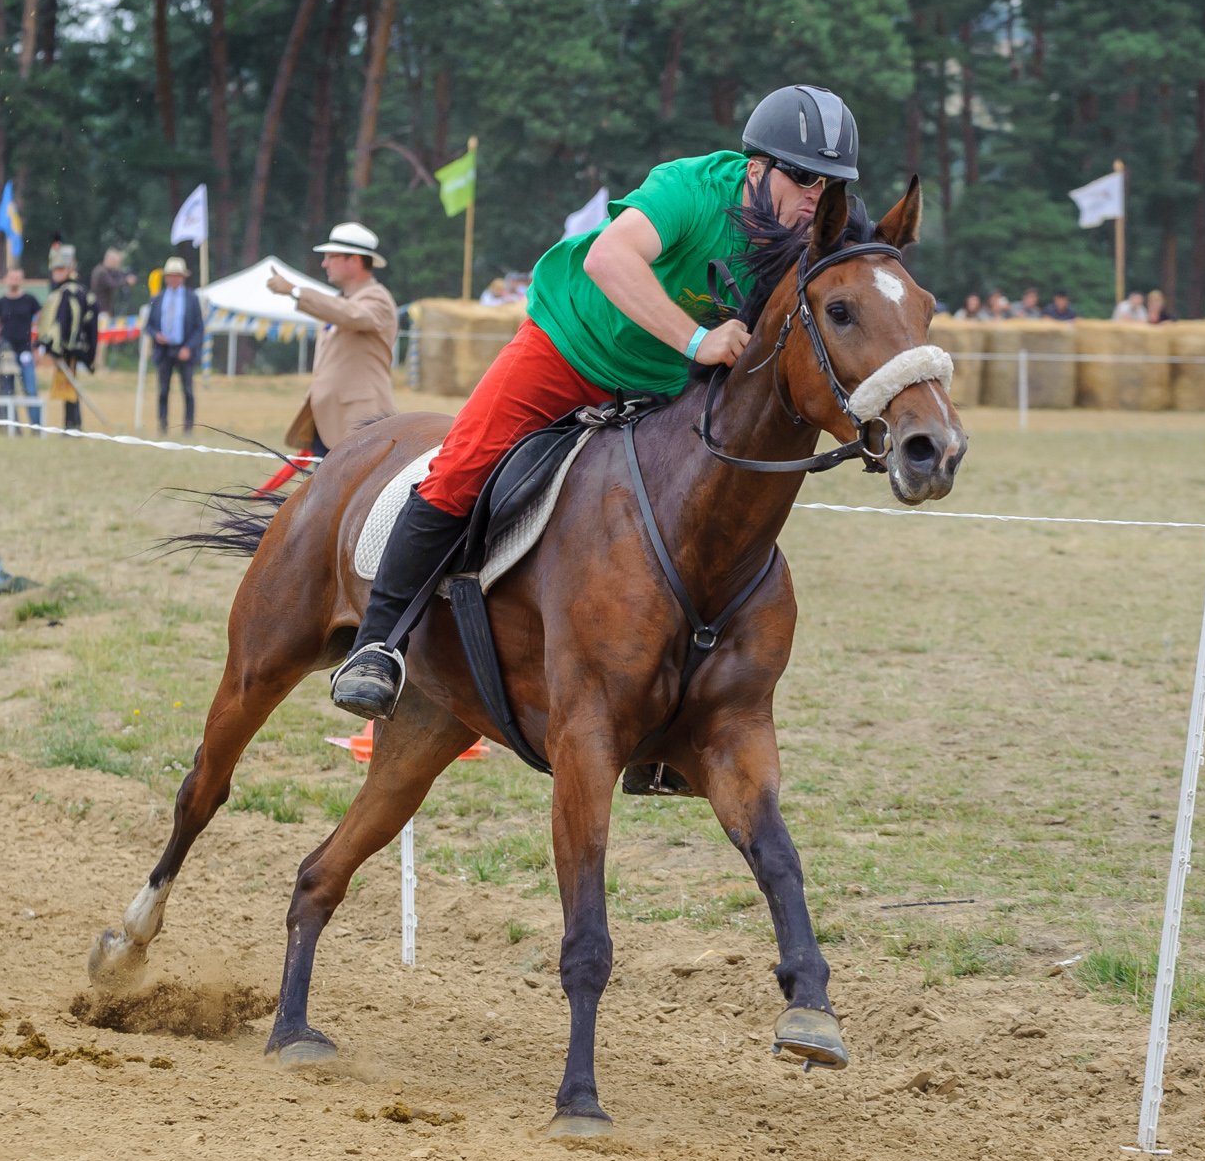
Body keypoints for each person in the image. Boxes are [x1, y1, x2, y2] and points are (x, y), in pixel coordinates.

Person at [326, 83, 855, 719]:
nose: (814, 196)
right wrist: (699, 339)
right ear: (756, 168)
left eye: (828, 184)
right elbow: (609, 257)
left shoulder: (806, 231)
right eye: (802, 177)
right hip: (567, 348)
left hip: (662, 386)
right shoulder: (689, 188)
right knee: (463, 468)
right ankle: (377, 646)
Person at [265, 222, 399, 459]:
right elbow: (341, 310)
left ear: (354, 260)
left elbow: (352, 315)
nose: (324, 263)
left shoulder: (378, 299)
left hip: (360, 423)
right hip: (332, 423)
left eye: (331, 256)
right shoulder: (342, 301)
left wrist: (295, 291)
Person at [39, 243, 98, 430]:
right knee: (67, 386)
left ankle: (73, 425)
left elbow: (65, 322)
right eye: (55, 269)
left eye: (60, 269)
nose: (56, 273)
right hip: (69, 347)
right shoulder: (69, 291)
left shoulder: (70, 292)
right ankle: (71, 424)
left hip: (69, 347)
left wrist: (56, 345)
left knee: (69, 387)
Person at [144, 256, 205, 432]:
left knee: (188, 391)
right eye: (171, 275)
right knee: (163, 390)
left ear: (183, 277)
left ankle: (188, 427)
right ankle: (162, 425)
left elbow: (199, 328)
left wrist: (188, 348)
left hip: (184, 349)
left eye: (177, 275)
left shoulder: (192, 298)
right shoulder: (158, 298)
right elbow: (148, 326)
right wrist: (156, 335)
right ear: (166, 277)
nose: (173, 278)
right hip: (163, 351)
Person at [0, 269, 43, 430]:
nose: (14, 280)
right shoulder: (0, 303)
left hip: (25, 350)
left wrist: (38, 347)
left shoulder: (30, 300)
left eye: (17, 278)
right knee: (7, 390)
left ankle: (36, 427)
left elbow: (41, 322)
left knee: (31, 390)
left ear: (22, 280)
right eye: (12, 277)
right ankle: (12, 428)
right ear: (6, 280)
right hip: (6, 352)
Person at [90, 246, 135, 318]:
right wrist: (126, 281)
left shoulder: (101, 270)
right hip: (101, 310)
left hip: (102, 309)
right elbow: (112, 283)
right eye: (116, 263)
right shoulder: (102, 272)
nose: (117, 266)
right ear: (111, 260)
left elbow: (116, 275)